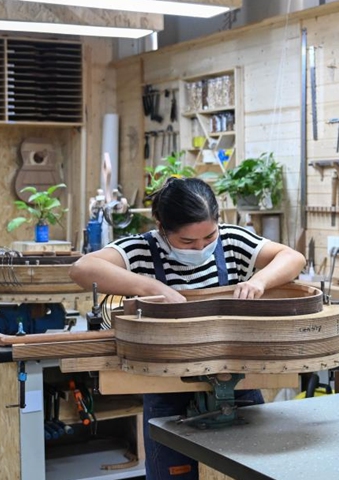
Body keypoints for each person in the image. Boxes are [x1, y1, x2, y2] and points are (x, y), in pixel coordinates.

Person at [69, 177, 306, 480]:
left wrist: (259, 280)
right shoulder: (141, 250)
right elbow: (81, 269)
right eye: (187, 242)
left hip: (237, 386)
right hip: (168, 390)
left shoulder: (232, 242)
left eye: (209, 237)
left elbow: (292, 257)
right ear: (161, 226)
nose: (201, 247)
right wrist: (149, 285)